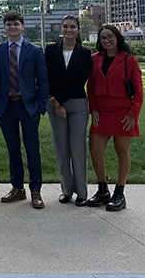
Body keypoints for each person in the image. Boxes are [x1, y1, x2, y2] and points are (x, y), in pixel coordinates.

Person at [0, 10, 49, 210]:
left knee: (32, 149)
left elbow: (43, 80)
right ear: (4, 28)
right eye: (9, 24)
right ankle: (17, 188)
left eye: (16, 24)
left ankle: (35, 190)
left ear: (22, 26)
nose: (12, 27)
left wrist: (41, 106)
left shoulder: (34, 50)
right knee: (12, 149)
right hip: (6, 106)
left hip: (28, 106)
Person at [87, 24, 144, 212]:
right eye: (103, 38)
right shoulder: (94, 59)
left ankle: (119, 193)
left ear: (117, 37)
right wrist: (93, 110)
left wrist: (133, 115)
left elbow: (139, 92)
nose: (106, 40)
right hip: (101, 112)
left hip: (122, 113)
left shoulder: (129, 61)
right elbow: (92, 88)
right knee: (95, 150)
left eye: (110, 37)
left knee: (122, 151)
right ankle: (103, 190)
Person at [45, 15, 92, 206]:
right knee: (61, 149)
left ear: (78, 29)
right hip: (55, 104)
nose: (69, 30)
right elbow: (45, 76)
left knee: (77, 149)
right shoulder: (50, 50)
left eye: (72, 26)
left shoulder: (85, 53)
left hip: (77, 104)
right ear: (61, 28)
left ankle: (81, 192)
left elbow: (79, 80)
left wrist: (62, 102)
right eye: (65, 26)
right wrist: (57, 104)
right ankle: (66, 190)